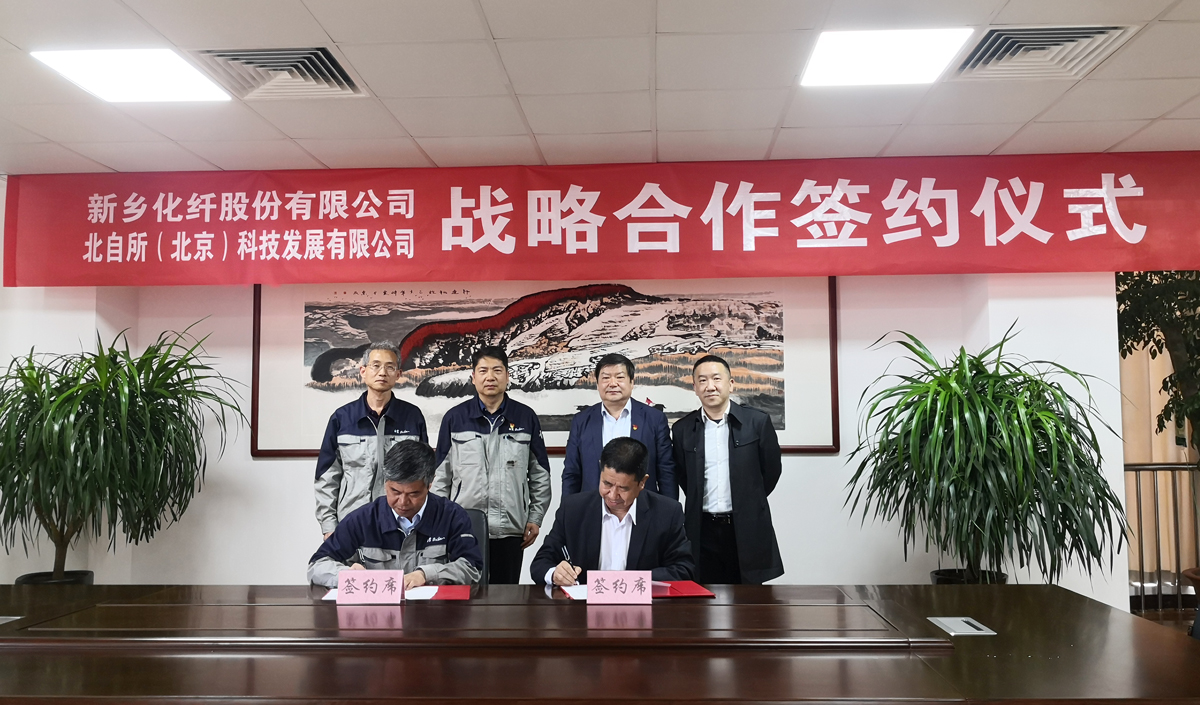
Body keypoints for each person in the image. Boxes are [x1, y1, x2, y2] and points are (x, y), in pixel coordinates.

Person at [432, 346, 551, 585]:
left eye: (497, 370)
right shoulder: (455, 418)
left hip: (511, 529)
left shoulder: (525, 417)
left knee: (506, 600)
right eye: (483, 370)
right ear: (473, 377)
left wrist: (535, 518)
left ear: (507, 376)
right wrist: (442, 522)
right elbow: (440, 477)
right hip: (464, 527)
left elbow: (540, 475)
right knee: (464, 597)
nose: (490, 377)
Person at [309, 440, 482, 589]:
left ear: (429, 484)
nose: (403, 502)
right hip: (378, 614)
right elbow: (317, 565)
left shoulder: (451, 516)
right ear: (385, 482)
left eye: (413, 494)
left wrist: (427, 574)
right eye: (395, 491)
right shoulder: (362, 519)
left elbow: (472, 568)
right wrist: (346, 574)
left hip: (434, 612)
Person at [671, 354, 783, 585]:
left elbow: (771, 471)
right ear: (694, 387)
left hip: (746, 527)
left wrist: (748, 499)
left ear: (731, 384)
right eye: (702, 380)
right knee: (704, 596)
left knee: (748, 599)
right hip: (702, 529)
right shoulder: (682, 429)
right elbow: (683, 476)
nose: (710, 386)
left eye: (716, 378)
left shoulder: (757, 422)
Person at [532, 437, 694, 586]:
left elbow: (683, 569)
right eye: (607, 484)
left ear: (642, 482)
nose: (612, 495)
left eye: (623, 488)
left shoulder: (667, 512)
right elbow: (541, 563)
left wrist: (631, 582)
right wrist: (555, 574)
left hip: (641, 605)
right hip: (583, 605)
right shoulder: (574, 509)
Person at [314, 341, 428, 540]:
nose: (382, 372)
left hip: (401, 525)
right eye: (375, 366)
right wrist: (329, 526)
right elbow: (327, 477)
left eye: (389, 367)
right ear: (363, 371)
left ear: (398, 374)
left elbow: (424, 475)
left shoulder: (412, 417)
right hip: (351, 523)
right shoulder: (342, 418)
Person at [562, 353, 677, 499]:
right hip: (593, 506)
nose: (612, 383)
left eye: (619, 377)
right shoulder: (581, 421)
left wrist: (670, 510)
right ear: (597, 384)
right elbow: (571, 473)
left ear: (632, 382)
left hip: (642, 506)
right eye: (606, 378)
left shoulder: (654, 418)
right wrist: (567, 509)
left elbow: (666, 470)